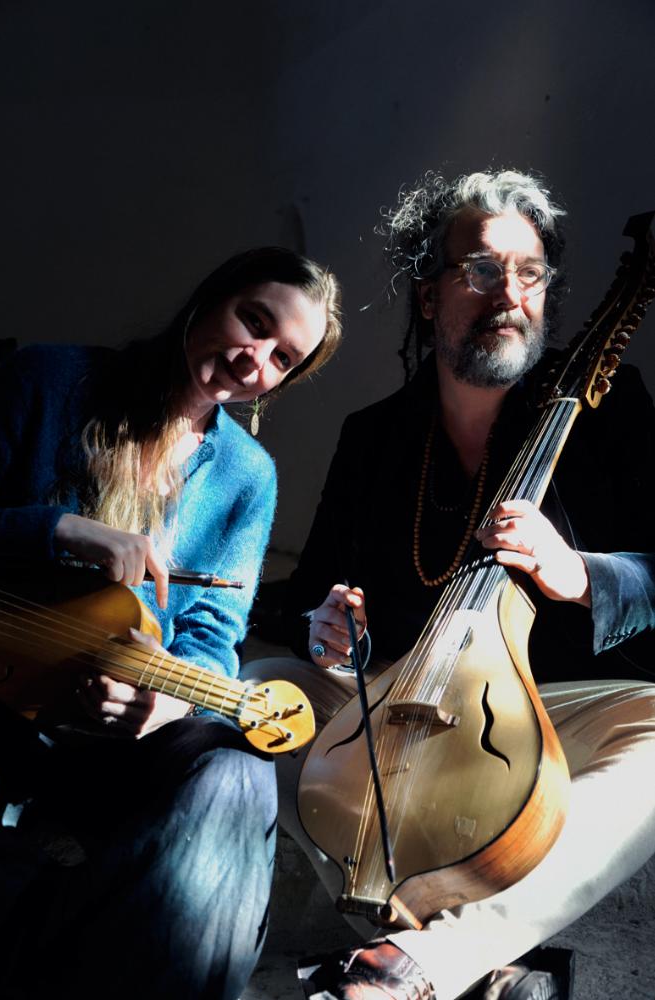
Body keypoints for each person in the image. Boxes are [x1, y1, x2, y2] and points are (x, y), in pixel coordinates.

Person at [247, 172, 655, 999]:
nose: (508, 293)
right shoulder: (373, 437)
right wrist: (324, 625)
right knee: (261, 688)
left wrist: (580, 574)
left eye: (529, 273)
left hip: (555, 711)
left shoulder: (604, 413)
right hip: (411, 701)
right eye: (481, 269)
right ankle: (461, 969)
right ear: (429, 295)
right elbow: (308, 593)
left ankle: (425, 961)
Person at [0, 245, 342, 1000]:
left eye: (282, 359)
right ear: (210, 297)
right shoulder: (45, 379)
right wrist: (56, 529)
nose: (254, 361)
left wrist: (169, 703)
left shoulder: (247, 476)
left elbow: (213, 637)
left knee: (240, 774)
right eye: (254, 322)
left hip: (114, 749)